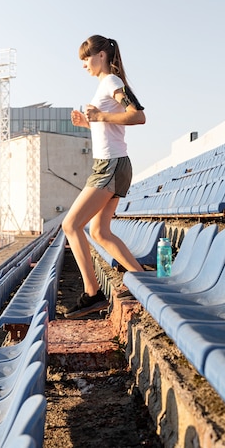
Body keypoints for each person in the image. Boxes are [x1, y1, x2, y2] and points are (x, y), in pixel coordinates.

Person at [62, 35, 146, 319]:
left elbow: (138, 116)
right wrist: (89, 123)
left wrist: (99, 117)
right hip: (114, 163)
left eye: (86, 58)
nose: (84, 64)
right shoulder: (105, 86)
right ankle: (145, 283)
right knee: (99, 232)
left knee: (71, 225)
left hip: (110, 165)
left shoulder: (112, 82)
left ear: (101, 55)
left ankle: (92, 293)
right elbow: (110, 127)